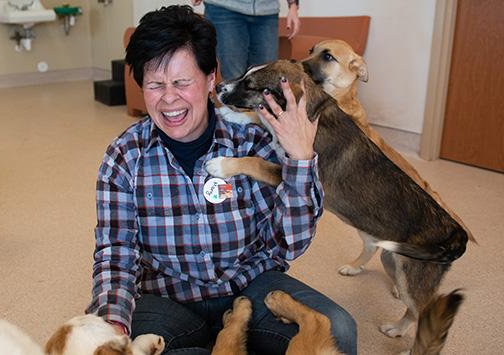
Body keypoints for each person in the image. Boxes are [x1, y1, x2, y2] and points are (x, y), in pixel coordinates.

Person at [86, 5, 356, 355]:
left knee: (338, 333)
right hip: (168, 299)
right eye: (155, 85)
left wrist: (301, 160)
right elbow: (115, 251)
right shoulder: (124, 156)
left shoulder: (254, 140)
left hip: (251, 286)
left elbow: (287, 245)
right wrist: (113, 323)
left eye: (182, 82)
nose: (169, 98)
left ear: (212, 77)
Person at [191, 0, 301, 80]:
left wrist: (293, 5)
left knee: (265, 76)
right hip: (224, 8)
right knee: (234, 77)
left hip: (266, 11)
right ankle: (235, 111)